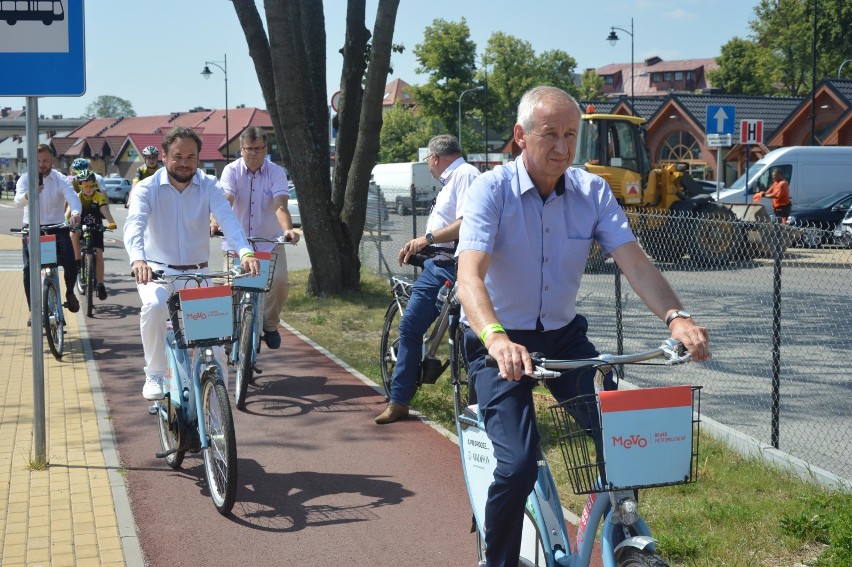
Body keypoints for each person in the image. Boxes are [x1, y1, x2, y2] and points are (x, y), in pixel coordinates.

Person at [455, 86, 710, 567]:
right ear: (520, 136)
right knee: (516, 465)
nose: (563, 148)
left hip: (563, 336)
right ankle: (499, 560)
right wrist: (496, 339)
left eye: (571, 135)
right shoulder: (491, 189)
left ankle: (619, 539)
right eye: (550, 134)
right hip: (500, 341)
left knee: (621, 444)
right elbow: (469, 276)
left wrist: (677, 317)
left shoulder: (592, 190)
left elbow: (634, 261)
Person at [124, 126, 260, 401]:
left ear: (198, 157)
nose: (184, 163)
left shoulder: (209, 186)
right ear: (163, 156)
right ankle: (154, 373)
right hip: (158, 273)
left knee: (216, 353)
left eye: (190, 157)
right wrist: (138, 259)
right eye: (177, 156)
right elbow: (134, 225)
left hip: (199, 274)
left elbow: (228, 220)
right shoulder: (146, 188)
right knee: (153, 305)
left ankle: (213, 414)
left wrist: (245, 252)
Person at [374, 134, 481, 424]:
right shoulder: (454, 179)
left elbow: (467, 222)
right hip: (439, 262)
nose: (428, 167)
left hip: (453, 267)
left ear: (434, 158)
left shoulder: (465, 175)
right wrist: (424, 245)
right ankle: (399, 401)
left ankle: (476, 407)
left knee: (469, 337)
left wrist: (426, 239)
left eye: (427, 162)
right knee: (411, 327)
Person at [210, 126, 300, 350]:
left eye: (258, 149)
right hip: (237, 243)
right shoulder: (231, 171)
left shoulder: (276, 172)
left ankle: (270, 325)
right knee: (232, 288)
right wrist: (215, 222)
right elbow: (226, 199)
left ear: (265, 149)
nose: (253, 153)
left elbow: (280, 205)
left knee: (279, 283)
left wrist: (288, 230)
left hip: (269, 241)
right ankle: (229, 333)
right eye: (248, 149)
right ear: (241, 149)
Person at [15, 144, 82, 318]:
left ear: (52, 160)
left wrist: (75, 213)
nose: (41, 164)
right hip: (32, 229)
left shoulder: (60, 179)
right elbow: (17, 201)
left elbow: (73, 198)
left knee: (70, 261)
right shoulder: (25, 178)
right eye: (38, 161)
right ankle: (33, 311)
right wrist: (29, 195)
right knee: (29, 269)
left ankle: (69, 293)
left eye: (45, 160)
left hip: (56, 228)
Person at [69, 170, 118, 300]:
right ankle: (78, 262)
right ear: (80, 186)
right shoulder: (78, 197)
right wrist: (67, 221)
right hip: (81, 227)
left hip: (96, 228)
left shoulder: (98, 197)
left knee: (98, 253)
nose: (89, 189)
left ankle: (100, 284)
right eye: (85, 186)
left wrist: (111, 222)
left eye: (91, 186)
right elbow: (69, 212)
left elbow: (104, 209)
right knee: (73, 234)